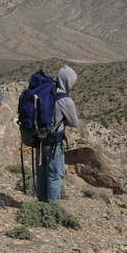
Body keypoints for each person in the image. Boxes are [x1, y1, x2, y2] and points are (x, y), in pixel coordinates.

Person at [36, 65, 79, 204]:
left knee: (42, 174)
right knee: (55, 176)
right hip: (54, 143)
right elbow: (74, 123)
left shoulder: (46, 93)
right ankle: (51, 210)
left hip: (40, 140)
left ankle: (40, 205)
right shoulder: (65, 100)